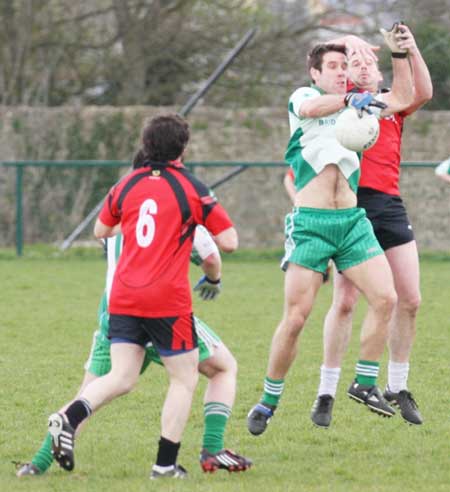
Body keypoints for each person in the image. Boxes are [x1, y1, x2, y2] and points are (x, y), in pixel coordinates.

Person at [45, 113, 239, 479]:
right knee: (183, 379)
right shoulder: (192, 187)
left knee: (122, 376)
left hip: (122, 296)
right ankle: (165, 465)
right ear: (182, 147)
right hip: (167, 300)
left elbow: (101, 229)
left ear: (146, 145)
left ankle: (67, 417)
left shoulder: (126, 185)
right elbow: (228, 243)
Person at [247, 35, 414, 436]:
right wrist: (348, 100)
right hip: (311, 225)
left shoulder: (361, 102)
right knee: (296, 318)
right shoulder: (305, 98)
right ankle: (269, 399)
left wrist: (401, 51)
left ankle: (364, 382)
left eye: (345, 67)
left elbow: (406, 95)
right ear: (316, 73)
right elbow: (310, 106)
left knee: (387, 298)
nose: (342, 73)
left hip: (353, 223)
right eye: (334, 68)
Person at [16, 226, 251, 477]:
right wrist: (214, 279)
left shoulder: (120, 198)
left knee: (91, 393)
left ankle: (36, 466)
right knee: (222, 368)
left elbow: (102, 233)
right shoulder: (178, 200)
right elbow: (210, 256)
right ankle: (207, 452)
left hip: (113, 309)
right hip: (157, 310)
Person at [309, 23, 433, 428]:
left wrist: (409, 49)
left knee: (409, 299)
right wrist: (350, 43)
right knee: (344, 302)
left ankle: (398, 386)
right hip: (350, 206)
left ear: (380, 75)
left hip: (389, 206)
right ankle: (326, 392)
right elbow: (325, 66)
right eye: (354, 62)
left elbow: (423, 93)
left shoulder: (388, 103)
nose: (362, 66)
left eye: (368, 62)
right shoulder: (339, 102)